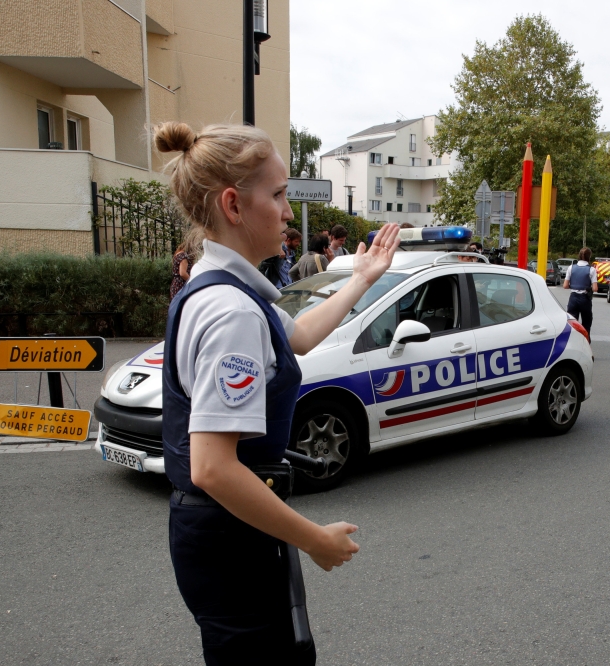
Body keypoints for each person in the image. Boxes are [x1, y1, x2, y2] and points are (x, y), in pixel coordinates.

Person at [153, 120, 401, 665]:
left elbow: (302, 337)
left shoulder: (230, 290)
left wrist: (363, 277)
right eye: (279, 193)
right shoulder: (232, 311)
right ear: (234, 205)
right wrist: (313, 538)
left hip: (227, 528)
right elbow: (213, 468)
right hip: (230, 534)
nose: (289, 211)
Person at [563, 247, 598, 336]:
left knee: (572, 323)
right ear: (589, 256)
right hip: (585, 298)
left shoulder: (571, 268)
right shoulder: (591, 270)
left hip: (573, 298)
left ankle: (572, 340)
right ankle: (586, 341)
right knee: (586, 322)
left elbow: (565, 286)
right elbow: (595, 288)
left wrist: (575, 286)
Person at [171, 228, 204, 300]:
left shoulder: (179, 253)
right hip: (181, 286)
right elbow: (182, 273)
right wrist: (192, 282)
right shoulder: (184, 256)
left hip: (176, 284)